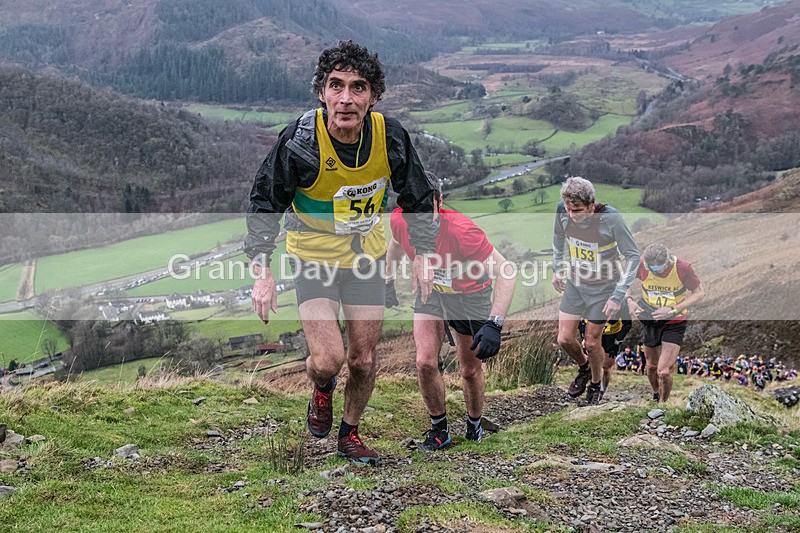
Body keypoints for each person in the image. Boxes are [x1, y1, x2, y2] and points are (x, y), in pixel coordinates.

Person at [244, 41, 439, 465]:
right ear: (322, 92)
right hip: (312, 256)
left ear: (373, 96)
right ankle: (322, 385)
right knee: (330, 360)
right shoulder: (300, 142)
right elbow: (264, 203)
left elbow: (419, 196)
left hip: (364, 256)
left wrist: (423, 253)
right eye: (336, 86)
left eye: (358, 87)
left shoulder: (391, 138)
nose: (346, 98)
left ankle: (349, 434)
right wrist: (262, 270)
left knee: (364, 359)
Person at [386, 172, 517, 449]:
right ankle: (439, 430)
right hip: (431, 292)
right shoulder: (399, 219)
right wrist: (388, 278)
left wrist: (495, 324)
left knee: (470, 370)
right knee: (424, 362)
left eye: (425, 210)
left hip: (470, 296)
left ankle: (474, 425)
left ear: (439, 201)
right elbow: (396, 244)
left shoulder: (462, 230)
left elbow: (507, 271)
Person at [552, 177, 640, 405]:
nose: (572, 215)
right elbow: (558, 238)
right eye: (569, 209)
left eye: (578, 210)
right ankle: (584, 368)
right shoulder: (563, 211)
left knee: (591, 342)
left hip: (604, 288)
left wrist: (617, 295)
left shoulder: (610, 219)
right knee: (564, 338)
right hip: (576, 283)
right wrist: (558, 268)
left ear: (592, 205)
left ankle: (595, 383)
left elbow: (632, 256)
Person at [626, 243, 705, 403]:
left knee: (663, 371)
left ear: (667, 261)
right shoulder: (640, 264)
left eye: (658, 269)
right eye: (650, 268)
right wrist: (629, 301)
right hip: (650, 318)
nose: (654, 272)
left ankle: (663, 403)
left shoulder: (683, 267)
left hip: (674, 321)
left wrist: (673, 309)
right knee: (651, 366)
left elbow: (699, 293)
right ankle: (656, 393)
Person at [578, 307, 632, 401]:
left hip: (611, 336)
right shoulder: (591, 299)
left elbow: (628, 324)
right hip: (593, 333)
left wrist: (617, 341)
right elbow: (579, 319)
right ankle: (594, 389)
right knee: (593, 364)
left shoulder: (620, 303)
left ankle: (602, 390)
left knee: (606, 367)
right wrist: (583, 335)